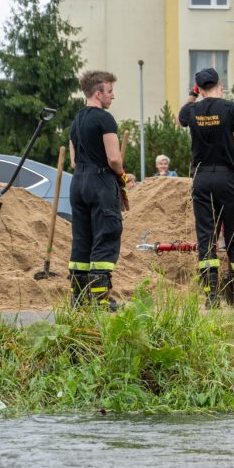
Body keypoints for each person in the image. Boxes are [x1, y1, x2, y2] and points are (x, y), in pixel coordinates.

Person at [178, 68, 234, 308]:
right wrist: (230, 159)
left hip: (201, 178)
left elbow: (179, 117)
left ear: (199, 88)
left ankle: (211, 297)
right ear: (220, 84)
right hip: (226, 177)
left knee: (206, 236)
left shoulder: (193, 110)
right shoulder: (231, 110)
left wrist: (193, 94)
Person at [68, 69, 129, 309]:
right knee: (106, 234)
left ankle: (79, 298)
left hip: (78, 181)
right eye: (110, 91)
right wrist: (122, 176)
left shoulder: (76, 121)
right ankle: (100, 298)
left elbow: (73, 161)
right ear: (98, 93)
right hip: (100, 181)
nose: (112, 96)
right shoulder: (104, 119)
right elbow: (114, 158)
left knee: (82, 238)